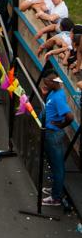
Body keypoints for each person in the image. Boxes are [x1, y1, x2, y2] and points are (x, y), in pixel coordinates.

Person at [41, 73, 74, 207]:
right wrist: (44, 95)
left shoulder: (58, 97)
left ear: (53, 82)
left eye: (46, 82)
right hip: (49, 133)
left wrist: (60, 125)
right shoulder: (53, 92)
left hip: (54, 134)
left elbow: (70, 117)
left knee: (57, 166)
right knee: (52, 163)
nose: (45, 84)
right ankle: (55, 188)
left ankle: (56, 198)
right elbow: (50, 108)